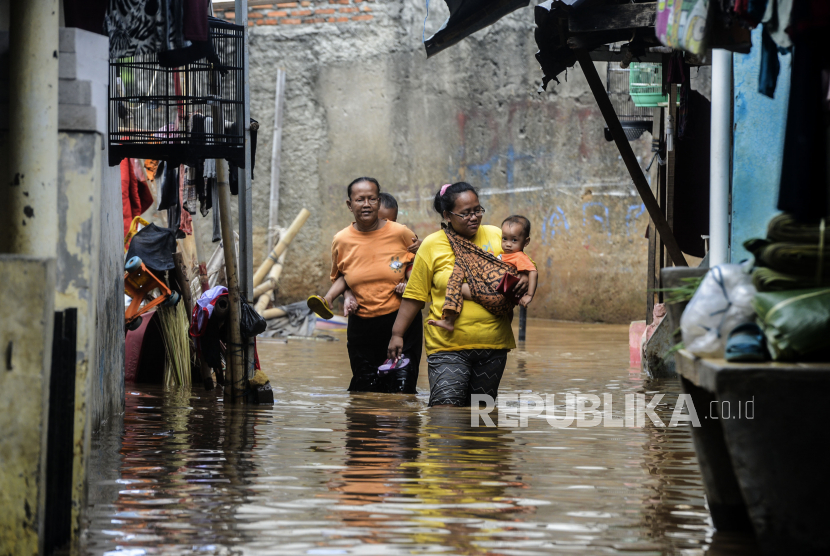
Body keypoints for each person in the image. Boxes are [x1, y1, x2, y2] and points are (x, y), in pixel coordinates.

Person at [387, 182, 529, 407]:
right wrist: (397, 334)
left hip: (493, 345)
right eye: (465, 213)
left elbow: (520, 270)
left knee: (482, 419)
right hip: (447, 347)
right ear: (447, 215)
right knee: (446, 414)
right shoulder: (432, 245)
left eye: (477, 210)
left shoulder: (497, 236)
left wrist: (523, 280)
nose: (474, 217)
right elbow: (415, 296)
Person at [312, 177, 423, 393]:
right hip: (362, 325)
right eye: (360, 199)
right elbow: (340, 275)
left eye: (372, 199)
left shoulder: (401, 233)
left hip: (400, 321)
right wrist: (348, 295)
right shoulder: (341, 240)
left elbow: (419, 268)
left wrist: (407, 282)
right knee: (365, 391)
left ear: (379, 201)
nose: (366, 204)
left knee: (402, 391)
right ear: (349, 204)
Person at [309, 192, 420, 318]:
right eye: (382, 221)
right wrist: (348, 295)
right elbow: (343, 275)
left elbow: (414, 263)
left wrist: (407, 285)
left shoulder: (400, 234)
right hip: (362, 313)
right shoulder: (351, 240)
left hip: (395, 309)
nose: (388, 226)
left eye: (392, 221)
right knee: (346, 276)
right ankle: (328, 298)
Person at [427, 214, 539, 332]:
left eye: (514, 240)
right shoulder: (507, 255)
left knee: (457, 286)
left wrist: (529, 295)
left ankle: (449, 320)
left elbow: (533, 271)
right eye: (504, 238)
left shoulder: (519, 257)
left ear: (526, 242)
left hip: (495, 293)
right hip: (496, 294)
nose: (508, 244)